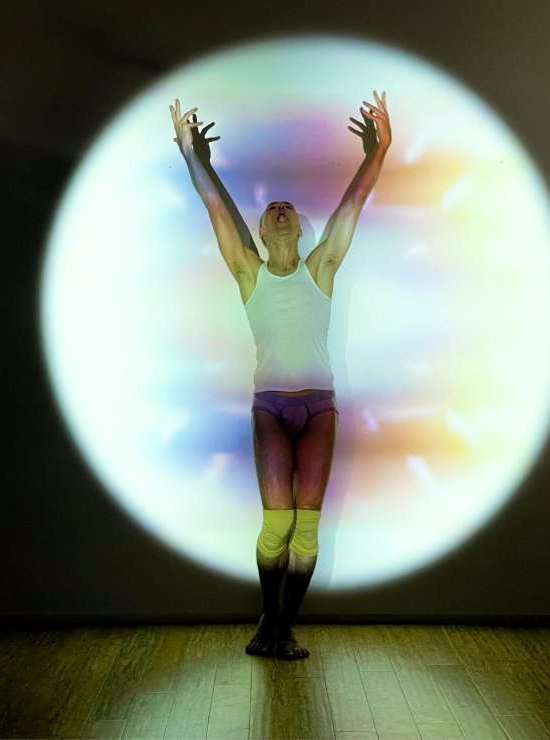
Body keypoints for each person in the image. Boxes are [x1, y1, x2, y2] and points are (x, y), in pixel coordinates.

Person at [170, 91, 391, 659]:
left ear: (303, 230)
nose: (282, 208)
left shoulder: (322, 267)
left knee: (308, 534)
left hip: (319, 408)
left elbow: (353, 206)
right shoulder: (250, 274)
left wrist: (379, 150)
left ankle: (277, 629)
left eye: (289, 206)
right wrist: (194, 158)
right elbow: (217, 211)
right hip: (270, 408)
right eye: (272, 210)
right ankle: (272, 627)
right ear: (263, 236)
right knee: (276, 528)